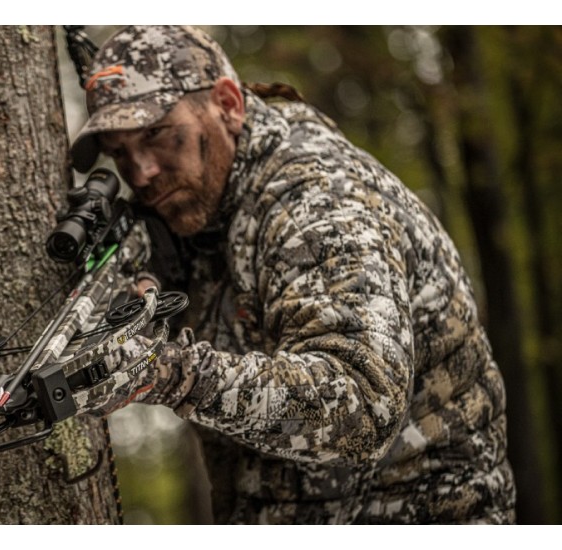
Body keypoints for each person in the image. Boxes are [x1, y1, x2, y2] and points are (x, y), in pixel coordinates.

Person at [72, 26, 516, 524]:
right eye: (119, 152)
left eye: (156, 133)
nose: (141, 172)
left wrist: (169, 372)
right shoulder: (192, 215)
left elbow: (364, 404)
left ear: (227, 104)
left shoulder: (317, 198)